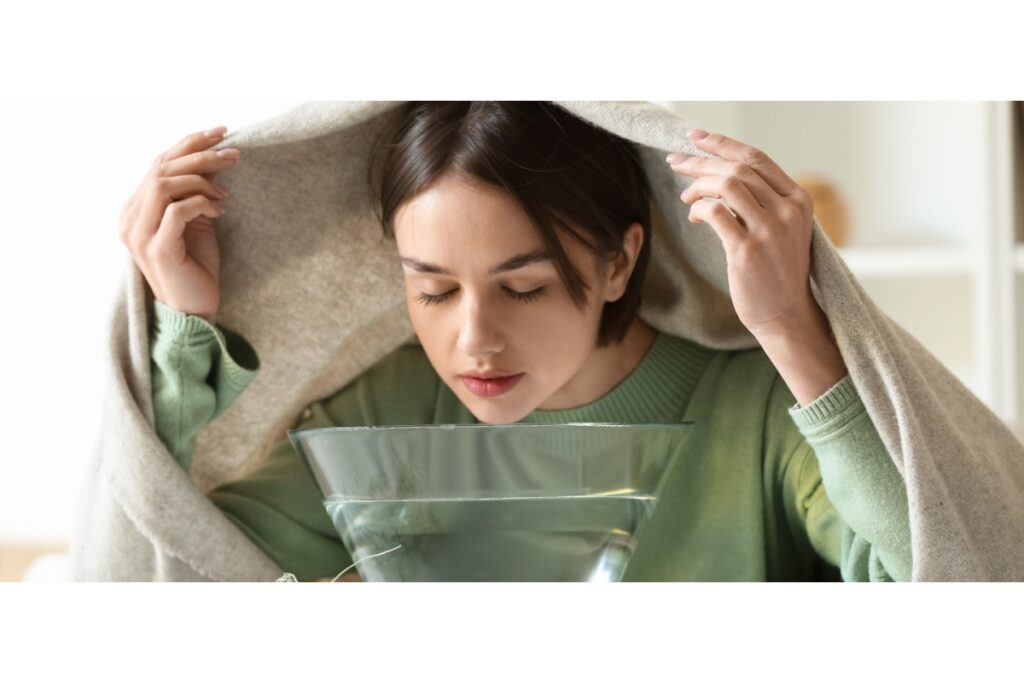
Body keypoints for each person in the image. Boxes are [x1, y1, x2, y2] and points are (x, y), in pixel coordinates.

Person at [119, 101, 912, 581]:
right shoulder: (385, 412)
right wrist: (183, 337)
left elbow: (942, 582)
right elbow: (166, 568)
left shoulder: (760, 415)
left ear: (618, 260)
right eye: (431, 288)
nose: (473, 340)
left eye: (523, 287)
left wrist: (789, 328)